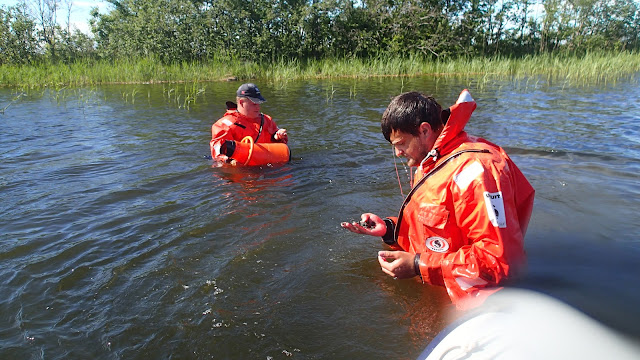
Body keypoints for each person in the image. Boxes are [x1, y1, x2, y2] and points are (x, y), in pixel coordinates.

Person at [341, 89, 535, 309]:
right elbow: (438, 234)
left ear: (424, 131)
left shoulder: (479, 172)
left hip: (482, 308)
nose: (398, 154)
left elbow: (498, 262)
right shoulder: (431, 161)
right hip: (443, 293)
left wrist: (418, 264)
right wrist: (389, 230)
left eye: (401, 144)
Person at [210, 83, 288, 164]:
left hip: (265, 166)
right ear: (241, 102)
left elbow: (280, 148)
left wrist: (278, 137)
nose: (258, 107)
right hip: (241, 171)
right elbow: (217, 152)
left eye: (259, 103)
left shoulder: (266, 120)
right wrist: (229, 160)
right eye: (254, 104)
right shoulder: (223, 125)